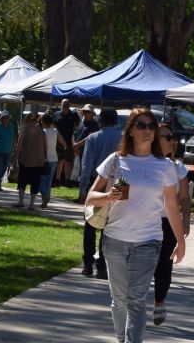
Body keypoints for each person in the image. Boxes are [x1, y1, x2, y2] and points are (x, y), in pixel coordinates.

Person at [86, 107, 186, 343]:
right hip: (114, 240)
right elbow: (91, 196)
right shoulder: (116, 161)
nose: (148, 131)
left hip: (148, 241)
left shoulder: (164, 166)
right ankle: (122, 339)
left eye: (151, 126)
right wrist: (109, 196)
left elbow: (172, 206)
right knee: (119, 300)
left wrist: (181, 241)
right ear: (130, 130)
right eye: (141, 126)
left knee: (136, 300)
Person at [152, 123, 191, 325]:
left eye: (170, 136)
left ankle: (159, 301)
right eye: (165, 136)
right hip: (143, 220)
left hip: (168, 222)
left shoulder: (178, 167)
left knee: (163, 265)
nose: (170, 140)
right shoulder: (140, 163)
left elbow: (183, 198)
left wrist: (186, 221)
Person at [79, 107, 121, 280]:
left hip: (95, 183)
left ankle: (88, 264)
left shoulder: (93, 138)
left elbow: (86, 164)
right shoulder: (122, 139)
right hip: (115, 186)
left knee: (90, 225)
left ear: (101, 121)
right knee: (108, 227)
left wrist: (83, 189)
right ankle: (102, 266)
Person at [12, 111, 46, 210]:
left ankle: (21, 201)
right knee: (35, 183)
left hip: (25, 160)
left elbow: (18, 146)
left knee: (22, 181)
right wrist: (44, 158)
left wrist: (14, 159)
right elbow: (45, 146)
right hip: (38, 161)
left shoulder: (25, 131)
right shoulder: (41, 131)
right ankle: (31, 204)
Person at [38, 113, 66, 208]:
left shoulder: (43, 132)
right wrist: (65, 146)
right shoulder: (55, 131)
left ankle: (45, 196)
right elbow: (63, 141)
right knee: (49, 180)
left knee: (41, 180)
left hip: (45, 158)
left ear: (43, 122)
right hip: (54, 158)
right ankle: (46, 198)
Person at [53, 99, 80, 186]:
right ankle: (57, 180)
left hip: (69, 142)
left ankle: (68, 181)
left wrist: (75, 140)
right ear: (61, 105)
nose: (66, 106)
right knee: (59, 161)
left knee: (68, 161)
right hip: (57, 141)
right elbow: (53, 127)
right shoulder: (56, 114)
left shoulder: (74, 114)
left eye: (67, 104)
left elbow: (78, 126)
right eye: (64, 104)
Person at [0, 110, 15, 190]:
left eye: (7, 117)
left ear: (8, 118)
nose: (5, 118)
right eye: (4, 117)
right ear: (1, 118)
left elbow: (13, 138)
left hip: (8, 151)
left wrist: (13, 148)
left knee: (4, 169)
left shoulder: (11, 126)